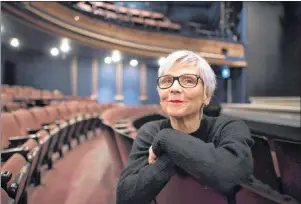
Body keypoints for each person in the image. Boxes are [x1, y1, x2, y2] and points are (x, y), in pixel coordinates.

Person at [116, 50, 254, 204]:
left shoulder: (230, 127)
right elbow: (126, 198)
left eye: (188, 80)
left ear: (206, 96)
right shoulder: (149, 132)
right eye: (166, 81)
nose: (173, 88)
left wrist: (167, 139)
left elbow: (233, 174)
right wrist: (174, 152)